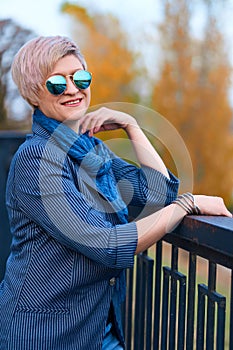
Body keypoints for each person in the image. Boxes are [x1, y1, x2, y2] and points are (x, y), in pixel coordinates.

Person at [0, 36, 231, 350]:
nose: (72, 89)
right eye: (56, 83)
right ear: (33, 94)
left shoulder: (92, 149)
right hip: (46, 334)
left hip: (99, 327)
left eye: (80, 78)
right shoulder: (36, 159)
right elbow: (106, 245)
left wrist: (132, 126)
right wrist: (188, 204)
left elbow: (159, 195)